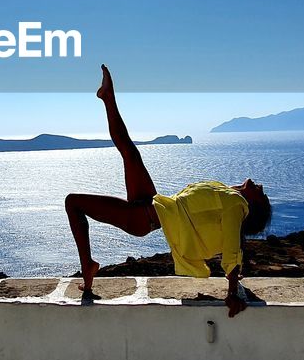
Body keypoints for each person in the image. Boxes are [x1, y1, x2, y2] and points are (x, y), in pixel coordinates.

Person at [65, 65, 272, 317]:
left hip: (143, 217)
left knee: (73, 202)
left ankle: (87, 266)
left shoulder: (236, 205)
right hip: (153, 204)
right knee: (130, 150)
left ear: (254, 206)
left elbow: (232, 249)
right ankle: (107, 98)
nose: (260, 186)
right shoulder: (226, 194)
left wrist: (232, 292)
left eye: (262, 193)